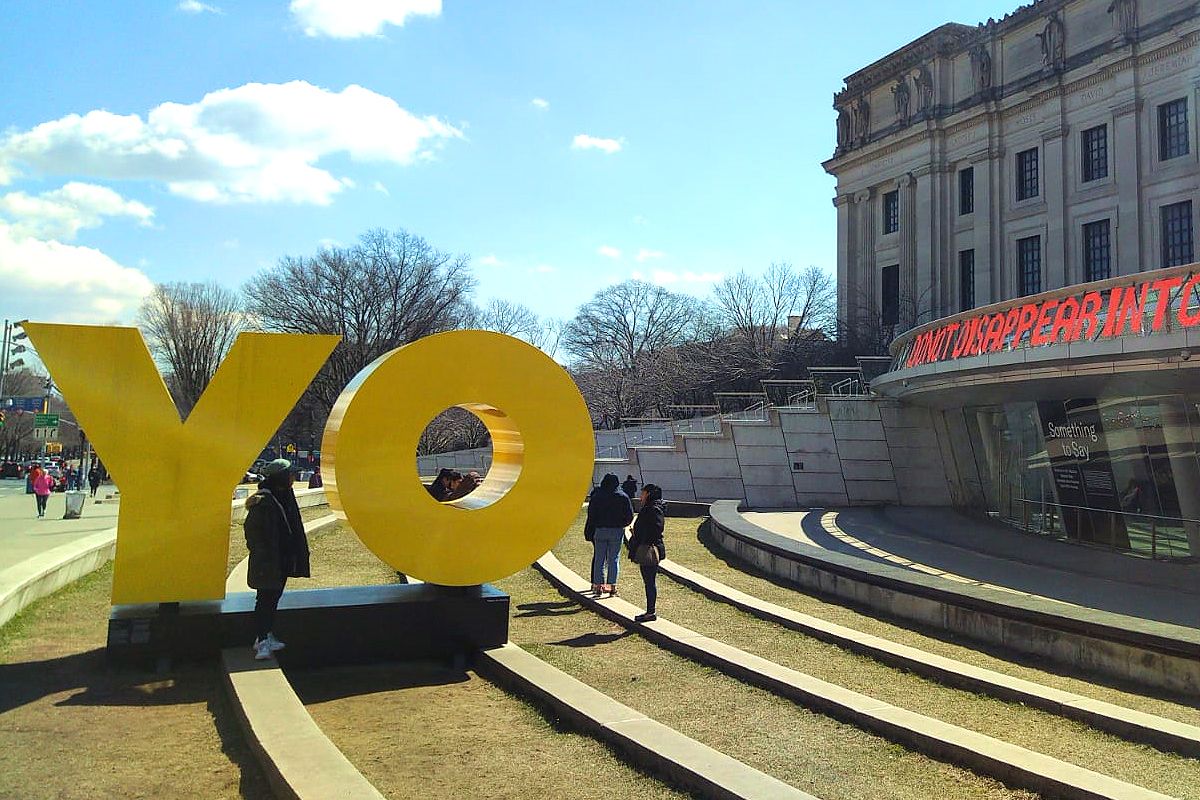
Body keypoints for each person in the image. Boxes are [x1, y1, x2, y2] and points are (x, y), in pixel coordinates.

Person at [243, 458, 310, 661]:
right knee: (265, 600)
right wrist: (266, 556)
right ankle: (261, 640)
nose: (293, 477)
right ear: (280, 477)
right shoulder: (263, 501)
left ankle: (266, 634)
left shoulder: (284, 496)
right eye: (289, 474)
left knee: (272, 600)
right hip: (268, 563)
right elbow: (253, 534)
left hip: (280, 561)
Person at [583, 473, 633, 596]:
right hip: (616, 531)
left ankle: (598, 586)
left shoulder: (597, 496)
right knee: (613, 559)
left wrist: (594, 526)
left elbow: (591, 515)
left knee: (599, 558)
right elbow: (629, 516)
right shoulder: (622, 496)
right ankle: (612, 587)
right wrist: (622, 524)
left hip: (600, 530)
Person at [627, 483, 666, 623]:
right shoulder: (651, 507)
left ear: (648, 493)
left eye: (643, 492)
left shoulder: (653, 508)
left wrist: (640, 536)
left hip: (649, 548)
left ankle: (651, 612)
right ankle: (650, 610)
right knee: (648, 581)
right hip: (647, 545)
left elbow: (656, 528)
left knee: (650, 581)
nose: (640, 495)